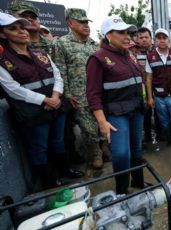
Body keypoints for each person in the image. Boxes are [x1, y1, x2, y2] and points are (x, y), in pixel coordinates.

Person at [0, 12, 84, 190]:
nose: (21, 31)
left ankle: (65, 170)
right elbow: (13, 89)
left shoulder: (40, 52)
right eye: (13, 29)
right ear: (2, 34)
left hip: (55, 105)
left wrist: (54, 96)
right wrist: (44, 99)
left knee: (58, 141)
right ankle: (49, 182)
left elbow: (57, 75)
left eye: (22, 27)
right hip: (32, 112)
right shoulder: (3, 60)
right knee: (39, 147)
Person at [86, 15, 145, 194]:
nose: (127, 36)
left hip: (137, 110)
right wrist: (102, 122)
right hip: (117, 114)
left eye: (128, 32)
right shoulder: (98, 58)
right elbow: (93, 94)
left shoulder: (128, 55)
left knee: (136, 150)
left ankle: (139, 184)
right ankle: (122, 192)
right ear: (108, 35)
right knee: (121, 154)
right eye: (121, 32)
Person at [54, 8, 112, 169]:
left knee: (102, 123)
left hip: (99, 94)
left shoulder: (94, 45)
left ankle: (105, 148)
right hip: (78, 95)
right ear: (70, 23)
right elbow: (59, 70)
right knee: (88, 128)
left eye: (87, 22)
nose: (86, 25)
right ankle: (95, 154)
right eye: (81, 22)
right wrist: (67, 93)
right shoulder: (61, 43)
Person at [135, 27, 162, 145]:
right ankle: (147, 136)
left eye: (146, 37)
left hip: (157, 87)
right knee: (145, 113)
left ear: (151, 39)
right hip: (142, 89)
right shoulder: (133, 53)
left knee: (159, 112)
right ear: (137, 39)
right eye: (141, 38)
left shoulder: (158, 52)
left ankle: (160, 135)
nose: (144, 40)